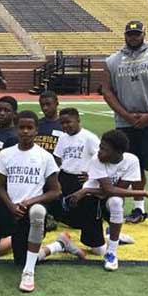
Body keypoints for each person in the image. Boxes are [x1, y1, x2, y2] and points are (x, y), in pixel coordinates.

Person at [102, 21, 148, 231]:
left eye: (136, 34)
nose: (133, 37)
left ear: (143, 34)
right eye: (130, 34)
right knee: (133, 166)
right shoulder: (112, 61)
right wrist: (125, 114)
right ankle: (138, 208)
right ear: (125, 35)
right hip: (125, 123)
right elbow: (107, 91)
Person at [62, 130, 148, 271]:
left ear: (118, 152)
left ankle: (112, 252)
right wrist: (144, 192)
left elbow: (117, 191)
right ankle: (113, 236)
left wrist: (86, 189)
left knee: (116, 201)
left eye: (104, 149)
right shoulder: (97, 160)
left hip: (106, 200)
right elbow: (109, 189)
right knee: (98, 250)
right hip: (91, 202)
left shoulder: (131, 160)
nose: (99, 152)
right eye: (100, 147)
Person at [0, 111, 61, 293]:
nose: (25, 132)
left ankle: (29, 273)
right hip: (12, 210)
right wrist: (11, 206)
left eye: (29, 128)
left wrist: (30, 201)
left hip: (33, 210)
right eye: (21, 127)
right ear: (16, 129)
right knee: (20, 260)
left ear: (36, 130)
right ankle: (57, 246)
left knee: (38, 212)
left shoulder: (45, 156)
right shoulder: (6, 154)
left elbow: (56, 191)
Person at [39, 107, 102, 261]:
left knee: (86, 213)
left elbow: (101, 158)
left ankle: (110, 236)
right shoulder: (63, 137)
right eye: (63, 123)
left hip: (82, 180)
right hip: (66, 177)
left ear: (78, 120)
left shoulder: (89, 138)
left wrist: (91, 175)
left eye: (69, 122)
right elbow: (59, 158)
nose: (66, 126)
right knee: (61, 208)